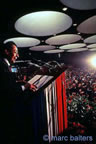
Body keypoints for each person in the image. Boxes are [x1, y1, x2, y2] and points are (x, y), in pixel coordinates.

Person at [0, 41, 37, 144]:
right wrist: (25, 86)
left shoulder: (4, 64)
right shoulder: (2, 66)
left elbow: (6, 83)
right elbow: (7, 91)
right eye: (15, 52)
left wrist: (19, 82)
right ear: (6, 51)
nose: (18, 56)